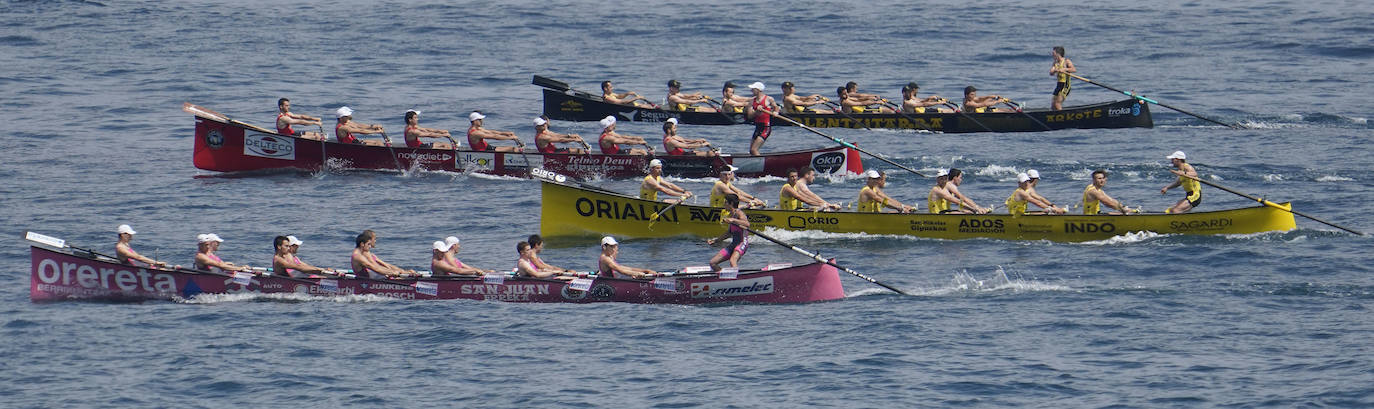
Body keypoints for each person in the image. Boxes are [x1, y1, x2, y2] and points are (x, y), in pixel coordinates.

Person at [707, 194, 750, 272]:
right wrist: (716, 240)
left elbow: (747, 224)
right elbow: (729, 233)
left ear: (731, 204)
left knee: (732, 261)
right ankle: (725, 278)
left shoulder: (739, 213)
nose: (724, 204)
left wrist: (733, 220)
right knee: (713, 263)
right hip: (734, 244)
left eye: (725, 202)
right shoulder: (731, 214)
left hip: (742, 243)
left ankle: (737, 281)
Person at [350, 230, 416, 279]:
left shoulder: (365, 253)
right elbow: (376, 268)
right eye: (368, 244)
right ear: (362, 244)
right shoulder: (358, 257)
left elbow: (384, 265)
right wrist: (394, 273)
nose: (370, 246)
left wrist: (401, 271)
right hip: (367, 281)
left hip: (374, 277)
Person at [744, 82, 779, 155]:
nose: (751, 91)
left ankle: (761, 163)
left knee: (754, 150)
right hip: (758, 127)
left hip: (766, 128)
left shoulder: (769, 99)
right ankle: (756, 163)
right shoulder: (751, 101)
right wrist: (756, 111)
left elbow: (776, 107)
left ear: (758, 90)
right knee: (751, 151)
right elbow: (750, 116)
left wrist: (776, 112)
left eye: (753, 89)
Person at [1050, 46, 1076, 111]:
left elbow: (1073, 69)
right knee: (1053, 105)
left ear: (1058, 54)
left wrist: (1064, 69)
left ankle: (1062, 116)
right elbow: (1051, 73)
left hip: (1066, 85)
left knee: (1057, 103)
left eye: (1053, 53)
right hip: (1059, 85)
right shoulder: (1055, 63)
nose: (1052, 55)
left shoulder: (1066, 61)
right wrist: (1055, 70)